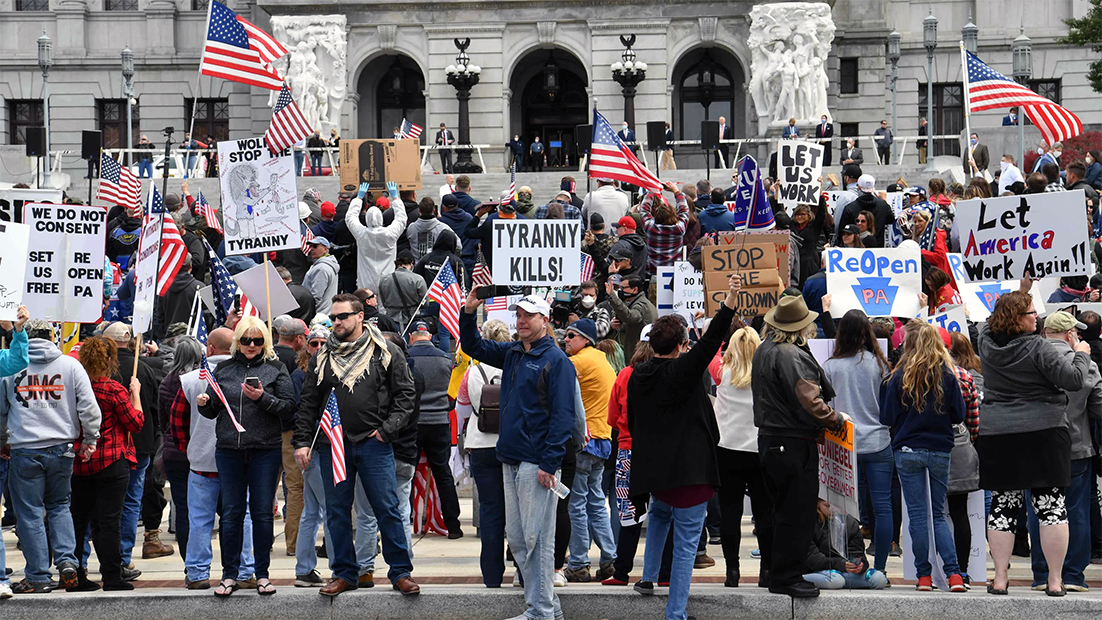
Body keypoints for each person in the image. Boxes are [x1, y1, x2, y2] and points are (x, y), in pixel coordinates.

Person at [459, 292, 577, 620]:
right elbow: (473, 346)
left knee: (536, 539)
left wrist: (550, 463)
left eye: (529, 315)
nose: (522, 320)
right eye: (519, 315)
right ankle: (546, 609)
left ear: (545, 320)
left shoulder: (556, 361)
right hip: (510, 457)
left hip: (535, 460)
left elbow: (563, 416)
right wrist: (469, 312)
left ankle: (540, 611)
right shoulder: (514, 352)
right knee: (521, 540)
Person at [627, 275, 739, 619]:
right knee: (688, 543)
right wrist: (731, 300)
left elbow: (633, 422)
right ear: (679, 346)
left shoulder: (638, 374)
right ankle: (675, 613)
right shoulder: (682, 371)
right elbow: (711, 342)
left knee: (660, 515)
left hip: (655, 470)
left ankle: (648, 577)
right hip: (690, 471)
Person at [294, 294, 419, 597]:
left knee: (387, 509)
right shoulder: (322, 357)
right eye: (334, 317)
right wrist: (301, 442)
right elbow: (309, 404)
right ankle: (345, 574)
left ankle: (400, 572)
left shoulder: (385, 352)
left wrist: (386, 431)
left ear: (360, 316)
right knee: (336, 512)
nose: (336, 322)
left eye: (343, 317)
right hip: (333, 445)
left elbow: (406, 396)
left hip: (374, 444)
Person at [977, 288, 1090, 596]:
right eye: (1031, 313)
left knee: (1003, 505)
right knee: (1051, 506)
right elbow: (1075, 380)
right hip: (1043, 431)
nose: (1037, 317)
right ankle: (1055, 580)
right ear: (1018, 319)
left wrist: (1021, 293)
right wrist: (1081, 353)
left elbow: (986, 323)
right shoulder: (1040, 348)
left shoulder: (986, 345)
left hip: (998, 433)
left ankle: (1000, 578)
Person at [752, 296, 848, 598]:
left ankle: (774, 572)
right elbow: (809, 401)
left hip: (770, 440)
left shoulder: (764, 349)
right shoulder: (790, 355)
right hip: (792, 441)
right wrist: (835, 420)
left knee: (778, 512)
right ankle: (788, 576)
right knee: (796, 512)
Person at [196, 316, 297, 597]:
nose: (251, 345)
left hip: (265, 449)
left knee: (262, 514)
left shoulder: (275, 368)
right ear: (237, 342)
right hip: (229, 449)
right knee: (231, 514)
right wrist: (204, 404)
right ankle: (229, 574)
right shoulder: (224, 369)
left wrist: (262, 398)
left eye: (257, 340)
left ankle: (262, 574)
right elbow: (214, 408)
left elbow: (289, 407)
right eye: (245, 340)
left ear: (265, 342)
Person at [2, 315, 97, 594]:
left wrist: (2, 441)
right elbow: (89, 409)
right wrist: (89, 440)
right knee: (59, 506)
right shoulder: (70, 365)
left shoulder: (11, 366)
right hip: (62, 449)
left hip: (25, 449)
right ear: (53, 336)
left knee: (29, 514)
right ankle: (68, 562)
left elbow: (1, 410)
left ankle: (38, 576)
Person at [879, 321, 967, 592]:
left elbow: (886, 417)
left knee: (917, 516)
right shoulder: (948, 375)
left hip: (907, 449)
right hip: (940, 447)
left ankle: (924, 576)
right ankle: (954, 575)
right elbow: (960, 415)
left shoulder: (897, 376)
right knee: (939, 514)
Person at [170, 328, 257, 590]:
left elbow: (176, 421)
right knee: (242, 518)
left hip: (202, 463)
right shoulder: (246, 377)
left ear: (209, 348)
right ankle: (244, 571)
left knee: (199, 520)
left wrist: (191, 448)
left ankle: (197, 573)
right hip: (238, 461)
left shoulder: (190, 380)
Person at [1031, 311, 1101, 592]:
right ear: (1070, 334)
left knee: (1039, 511)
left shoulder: (1031, 360)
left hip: (1037, 447)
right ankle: (1072, 574)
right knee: (1076, 511)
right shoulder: (1086, 365)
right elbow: (1098, 408)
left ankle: (1042, 573)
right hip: (1076, 446)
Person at [69, 336, 143, 592]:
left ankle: (75, 574)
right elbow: (135, 423)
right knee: (109, 521)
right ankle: (111, 576)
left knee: (79, 520)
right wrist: (136, 395)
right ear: (109, 360)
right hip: (111, 460)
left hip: (80, 461)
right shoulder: (113, 389)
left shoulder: (73, 388)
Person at [822, 311, 892, 575]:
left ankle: (845, 563)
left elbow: (826, 409)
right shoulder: (880, 364)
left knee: (841, 509)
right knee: (882, 506)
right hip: (878, 441)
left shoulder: (830, 367)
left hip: (842, 444)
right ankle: (881, 568)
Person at [709, 325, 774, 587]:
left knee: (730, 512)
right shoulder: (767, 375)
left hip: (727, 449)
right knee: (765, 512)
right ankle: (766, 571)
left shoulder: (721, 373)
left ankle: (732, 571)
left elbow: (710, 352)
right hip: (759, 450)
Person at [106, 322, 171, 567]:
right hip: (140, 443)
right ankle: (122, 556)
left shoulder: (105, 369)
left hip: (110, 445)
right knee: (132, 499)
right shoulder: (143, 369)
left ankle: (111, 555)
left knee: (109, 502)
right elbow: (155, 408)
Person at [456, 320, 511, 587]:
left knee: (490, 512)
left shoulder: (473, 372)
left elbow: (462, 409)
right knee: (518, 512)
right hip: (511, 446)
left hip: (481, 444)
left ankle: (491, 575)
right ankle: (523, 572)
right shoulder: (515, 364)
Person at [562, 319, 618, 583]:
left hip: (584, 441)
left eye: (571, 336)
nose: (565, 339)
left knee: (577, 504)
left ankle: (578, 562)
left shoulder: (578, 362)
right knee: (596, 502)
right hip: (603, 439)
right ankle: (609, 559)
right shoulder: (601, 359)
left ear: (586, 339)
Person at [407, 322, 464, 537]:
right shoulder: (445, 358)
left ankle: (407, 520)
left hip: (413, 422)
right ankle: (453, 525)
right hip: (439, 420)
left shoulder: (406, 358)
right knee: (443, 473)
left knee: (407, 474)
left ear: (412, 336)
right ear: (429, 336)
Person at [158, 337, 205, 569]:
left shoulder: (167, 381)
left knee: (183, 509)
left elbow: (163, 420)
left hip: (174, 451)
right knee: (204, 510)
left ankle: (191, 564)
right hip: (200, 450)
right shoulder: (202, 381)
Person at [802, 498, 887, 590]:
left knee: (879, 578)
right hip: (818, 570)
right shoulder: (809, 522)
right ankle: (797, 579)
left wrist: (859, 565)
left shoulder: (849, 522)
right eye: (828, 506)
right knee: (836, 580)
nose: (833, 509)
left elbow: (858, 553)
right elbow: (812, 559)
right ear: (818, 504)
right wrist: (841, 565)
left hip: (843, 571)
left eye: (837, 505)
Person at [346, 182, 408, 293]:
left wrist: (359, 198)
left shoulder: (362, 234)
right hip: (387, 281)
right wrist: (395, 198)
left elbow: (350, 218)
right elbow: (401, 219)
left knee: (368, 308)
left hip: (366, 282)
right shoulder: (390, 233)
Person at [639, 183, 690, 278]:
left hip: (653, 272)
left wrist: (652, 191)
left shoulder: (650, 228)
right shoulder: (679, 229)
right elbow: (684, 210)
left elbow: (644, 209)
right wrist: (676, 191)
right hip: (674, 273)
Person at [605, 274, 656, 360]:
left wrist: (613, 296)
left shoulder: (641, 304)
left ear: (635, 289)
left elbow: (631, 317)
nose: (621, 291)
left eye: (624, 288)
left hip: (640, 355)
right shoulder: (637, 302)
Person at [379, 251, 428, 329]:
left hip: (391, 319)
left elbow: (383, 301)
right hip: (412, 319)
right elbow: (425, 303)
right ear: (412, 263)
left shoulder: (384, 279)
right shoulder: (418, 279)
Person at [303, 236, 340, 315]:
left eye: (315, 246)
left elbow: (316, 296)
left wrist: (307, 313)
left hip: (319, 314)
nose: (311, 249)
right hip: (326, 312)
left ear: (325, 249)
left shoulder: (321, 268)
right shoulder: (328, 264)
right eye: (310, 246)